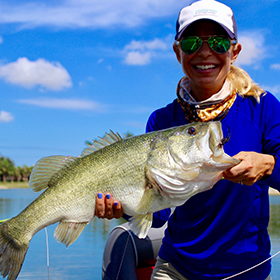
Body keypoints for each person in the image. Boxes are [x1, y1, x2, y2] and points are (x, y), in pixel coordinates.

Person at [96, 0, 280, 279]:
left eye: (218, 42)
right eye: (192, 42)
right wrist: (120, 207)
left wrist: (268, 165)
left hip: (246, 272)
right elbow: (156, 214)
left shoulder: (262, 106)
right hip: (176, 268)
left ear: (235, 51)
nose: (205, 52)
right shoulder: (161, 121)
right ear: (177, 51)